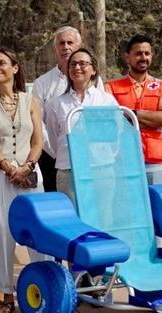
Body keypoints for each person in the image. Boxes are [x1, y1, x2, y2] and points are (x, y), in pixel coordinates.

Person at [0, 47, 45, 313]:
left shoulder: (31, 101)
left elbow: (37, 142)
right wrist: (8, 167)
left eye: (1, 63)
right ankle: (5, 293)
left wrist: (27, 166)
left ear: (15, 67)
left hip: (29, 171)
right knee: (0, 230)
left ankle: (45, 287)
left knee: (37, 229)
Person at [44, 48, 118, 204]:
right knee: (73, 217)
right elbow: (53, 139)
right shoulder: (56, 104)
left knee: (102, 216)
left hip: (101, 171)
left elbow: (115, 135)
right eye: (73, 64)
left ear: (93, 70)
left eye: (83, 63)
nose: (77, 67)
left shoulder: (107, 101)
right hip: (68, 172)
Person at [105, 34, 162, 185]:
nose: (143, 57)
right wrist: (153, 119)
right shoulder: (111, 87)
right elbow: (110, 122)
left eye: (147, 53)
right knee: (127, 201)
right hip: (123, 161)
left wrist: (130, 115)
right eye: (138, 53)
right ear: (127, 57)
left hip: (156, 160)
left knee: (157, 200)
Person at [32, 26, 91, 194]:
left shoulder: (94, 80)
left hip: (89, 157)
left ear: (79, 46)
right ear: (55, 48)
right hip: (54, 159)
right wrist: (58, 152)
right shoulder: (42, 83)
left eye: (70, 42)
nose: (65, 47)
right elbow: (39, 123)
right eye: (61, 43)